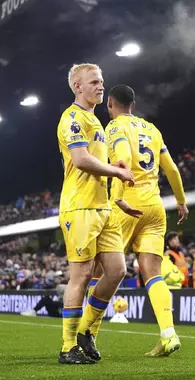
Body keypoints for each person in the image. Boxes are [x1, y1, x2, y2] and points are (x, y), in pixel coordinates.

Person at [101, 84, 188, 357]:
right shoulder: (152, 129)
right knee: (153, 273)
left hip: (127, 203)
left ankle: (85, 334)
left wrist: (117, 197)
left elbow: (123, 160)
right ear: (134, 105)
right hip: (155, 206)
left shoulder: (114, 127)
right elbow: (171, 168)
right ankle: (168, 333)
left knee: (98, 269)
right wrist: (181, 201)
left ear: (110, 104)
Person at [57, 63, 134, 364]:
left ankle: (87, 331)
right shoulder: (72, 118)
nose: (101, 86)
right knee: (82, 275)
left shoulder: (94, 121)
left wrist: (115, 173)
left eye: (102, 81)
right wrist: (116, 171)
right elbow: (81, 160)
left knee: (116, 271)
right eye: (94, 82)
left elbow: (98, 163)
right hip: (80, 206)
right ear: (77, 86)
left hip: (103, 207)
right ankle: (67, 347)